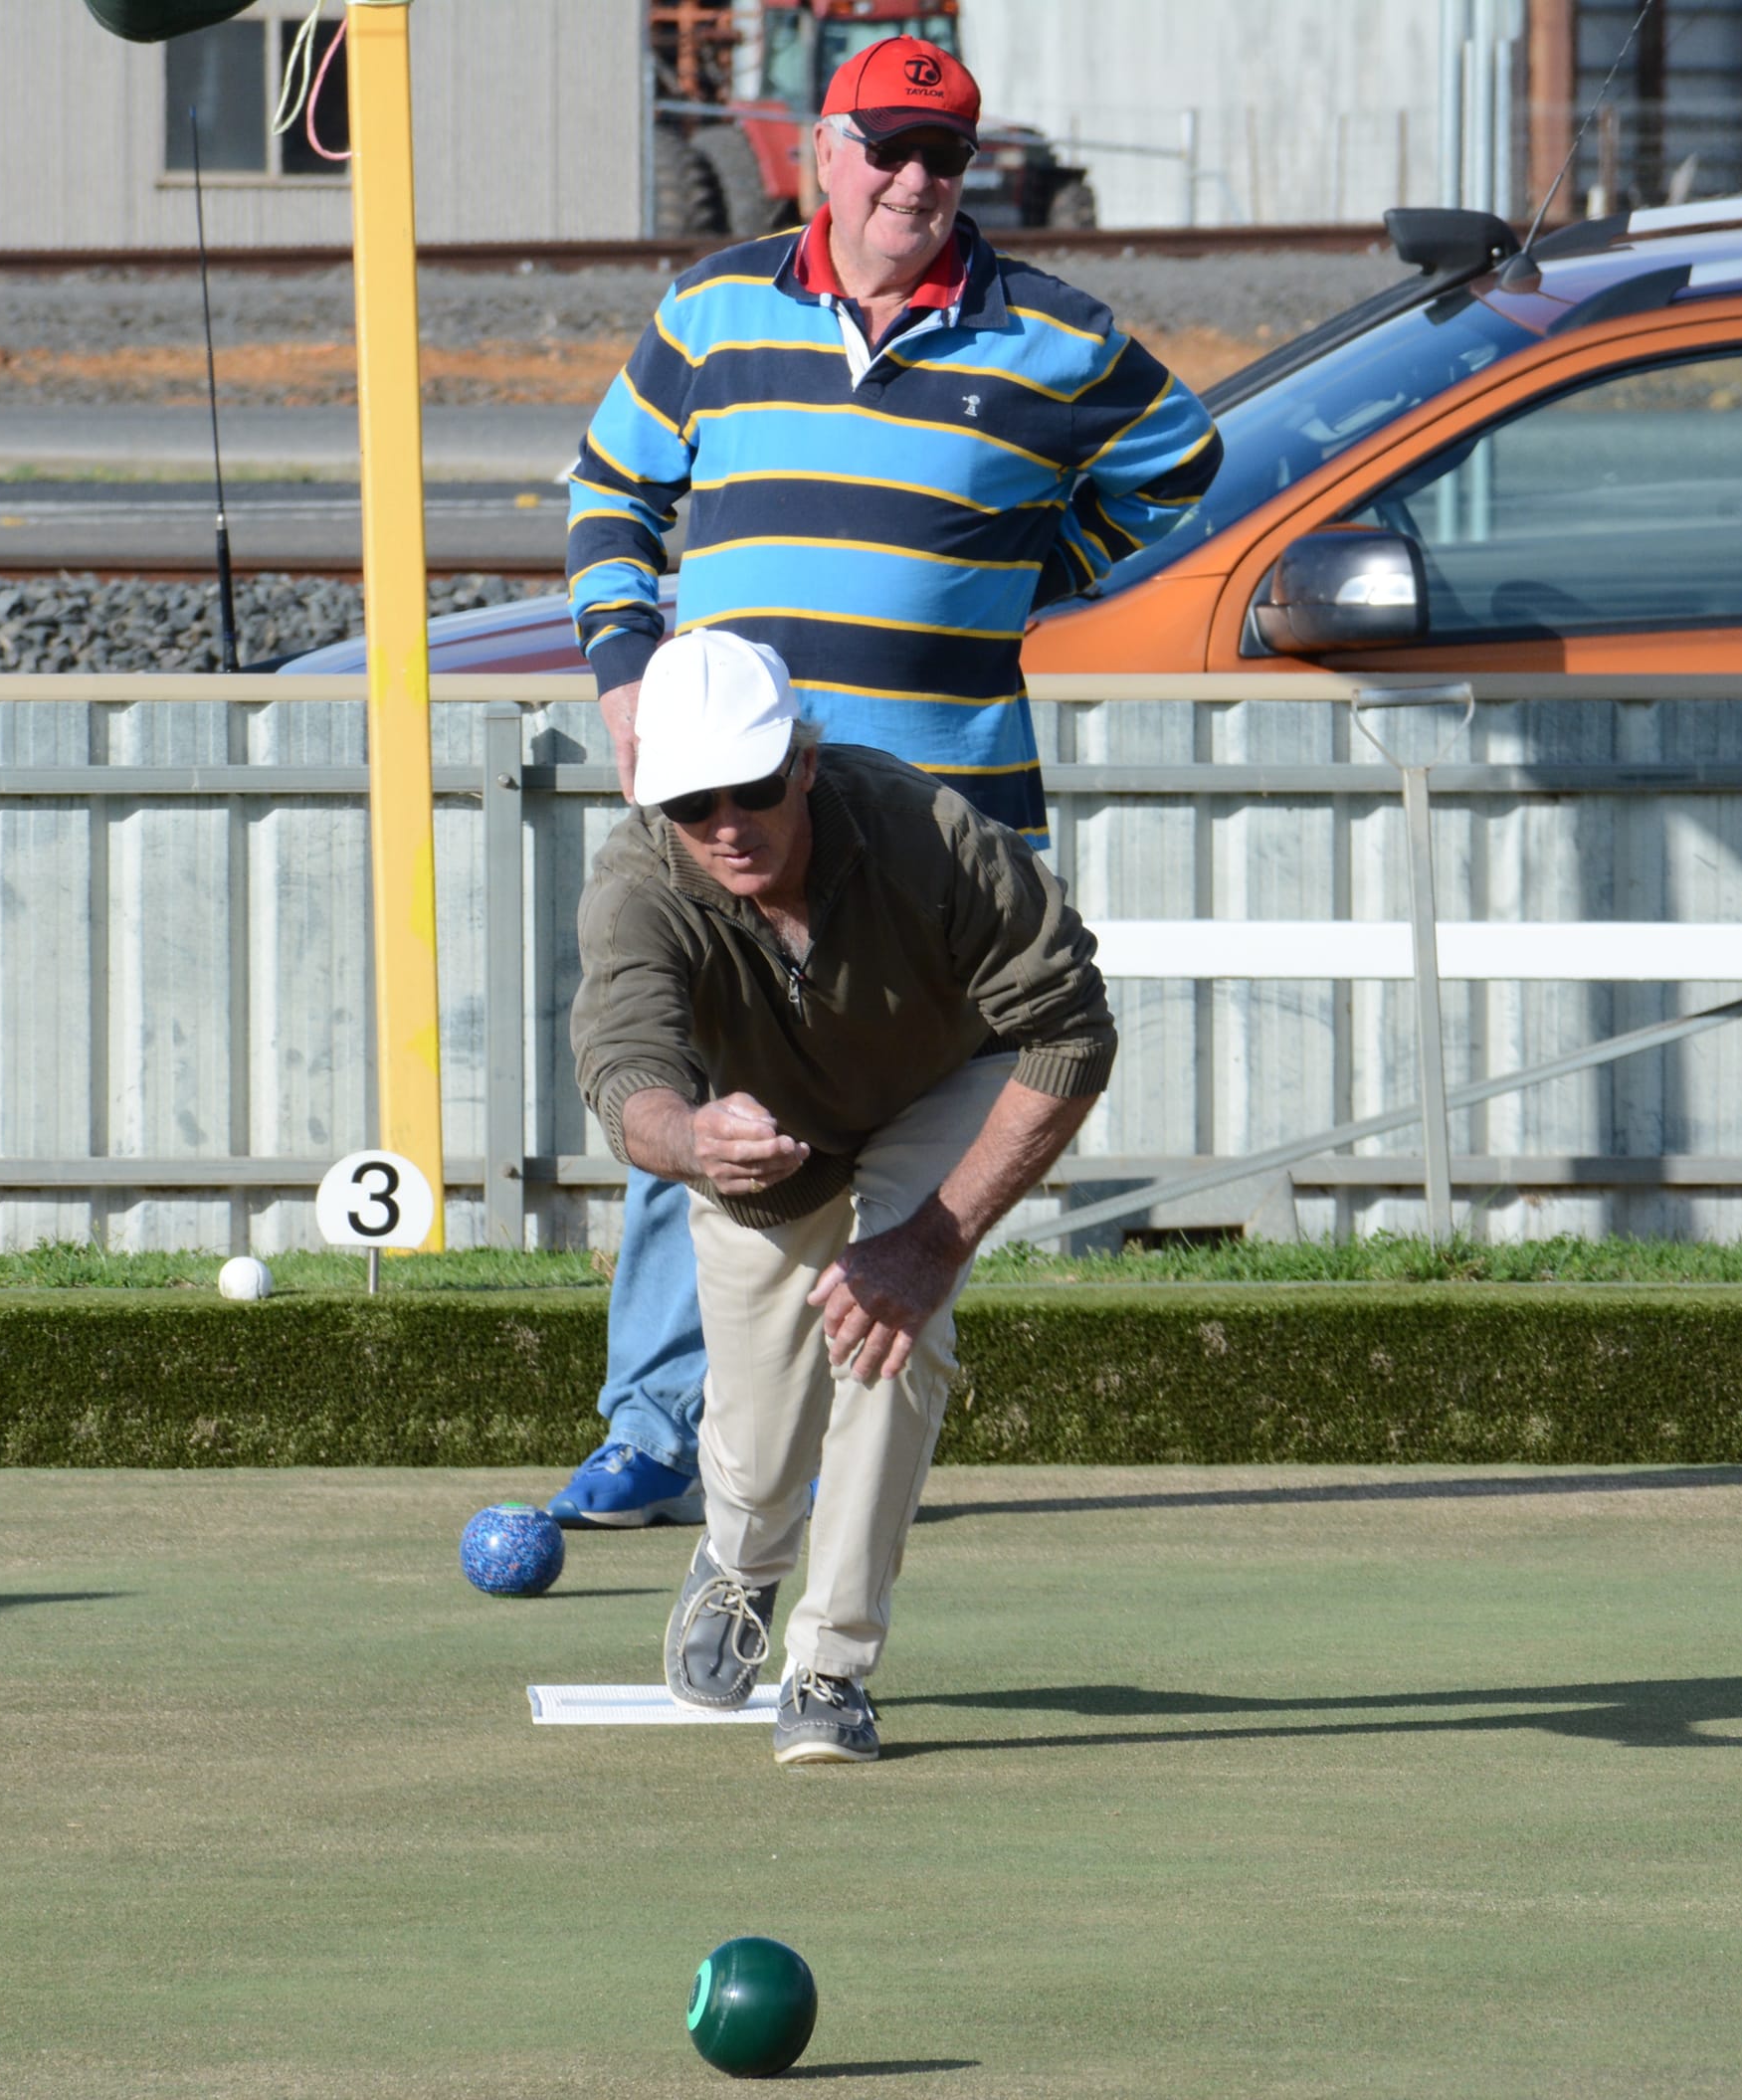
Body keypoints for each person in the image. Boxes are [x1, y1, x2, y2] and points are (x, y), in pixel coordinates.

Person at [552, 33, 1220, 1528]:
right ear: (824, 153)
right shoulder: (713, 308)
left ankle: (848, 1453)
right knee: (704, 1109)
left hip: (944, 825)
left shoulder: (1059, 336)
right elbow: (610, 494)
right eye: (887, 146)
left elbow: (1182, 467)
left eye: (946, 155)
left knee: (927, 1125)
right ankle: (661, 1428)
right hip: (738, 802)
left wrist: (1029, 571)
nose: (915, 177)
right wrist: (622, 676)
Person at [570, 630, 1114, 1763]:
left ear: (803, 764)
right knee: (761, 1448)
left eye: (755, 786)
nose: (727, 820)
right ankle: (739, 1560)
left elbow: (1068, 1029)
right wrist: (691, 1138)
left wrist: (932, 1239)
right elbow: (624, 1071)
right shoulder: (635, 882)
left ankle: (830, 1663)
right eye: (690, 798)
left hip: (941, 1084)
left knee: (891, 1335)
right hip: (753, 1129)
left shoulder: (933, 834)